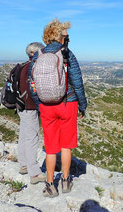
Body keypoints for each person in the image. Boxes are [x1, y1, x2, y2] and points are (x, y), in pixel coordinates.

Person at [28, 19, 87, 197]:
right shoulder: (67, 54)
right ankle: (66, 181)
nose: (68, 39)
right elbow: (77, 82)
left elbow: (32, 84)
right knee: (66, 146)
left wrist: (40, 105)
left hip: (46, 107)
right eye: (66, 36)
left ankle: (50, 185)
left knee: (51, 147)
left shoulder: (38, 55)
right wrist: (82, 106)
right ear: (60, 37)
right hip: (67, 103)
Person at [18, 42, 47, 184]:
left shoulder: (22, 66)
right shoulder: (33, 67)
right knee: (32, 138)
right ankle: (34, 173)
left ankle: (24, 165)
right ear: (35, 53)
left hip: (20, 106)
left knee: (24, 135)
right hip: (29, 107)